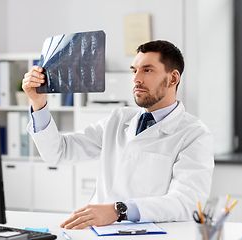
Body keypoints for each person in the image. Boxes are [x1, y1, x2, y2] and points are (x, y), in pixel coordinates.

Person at [22, 40, 214, 229]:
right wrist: (38, 103)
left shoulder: (194, 135)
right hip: (99, 232)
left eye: (147, 70)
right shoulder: (118, 119)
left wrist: (119, 210)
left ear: (173, 78)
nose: (136, 79)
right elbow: (58, 153)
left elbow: (186, 203)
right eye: (134, 70)